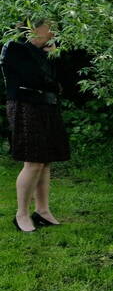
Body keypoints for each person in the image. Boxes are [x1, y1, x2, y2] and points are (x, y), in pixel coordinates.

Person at [1, 19, 69, 232]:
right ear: (35, 28)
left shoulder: (46, 50)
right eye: (50, 28)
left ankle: (42, 211)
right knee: (33, 162)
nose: (54, 32)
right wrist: (50, 68)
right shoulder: (15, 46)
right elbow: (34, 79)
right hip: (25, 105)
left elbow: (63, 80)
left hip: (47, 104)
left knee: (45, 160)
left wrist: (53, 56)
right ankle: (21, 214)